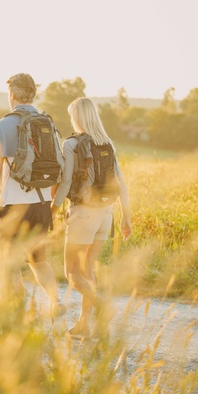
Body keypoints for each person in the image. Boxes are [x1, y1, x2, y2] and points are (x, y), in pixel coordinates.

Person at [0, 73, 66, 334]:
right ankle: (55, 302)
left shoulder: (4, 126)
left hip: (12, 206)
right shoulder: (48, 124)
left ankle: (15, 314)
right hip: (41, 203)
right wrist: (50, 203)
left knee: (10, 262)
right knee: (38, 259)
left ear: (13, 96)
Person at [51, 97, 132, 339]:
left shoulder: (71, 144)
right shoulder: (107, 143)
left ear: (76, 117)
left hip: (83, 214)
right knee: (88, 271)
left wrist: (52, 210)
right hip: (106, 215)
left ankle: (101, 306)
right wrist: (126, 217)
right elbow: (122, 183)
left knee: (72, 273)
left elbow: (65, 182)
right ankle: (84, 326)